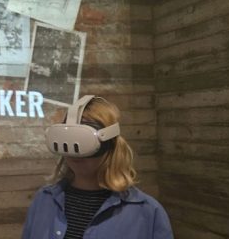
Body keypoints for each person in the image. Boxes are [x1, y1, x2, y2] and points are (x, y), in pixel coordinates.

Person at [22, 95, 173, 239]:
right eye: (68, 141)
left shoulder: (147, 212)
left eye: (84, 141)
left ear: (110, 143)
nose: (76, 153)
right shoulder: (43, 201)